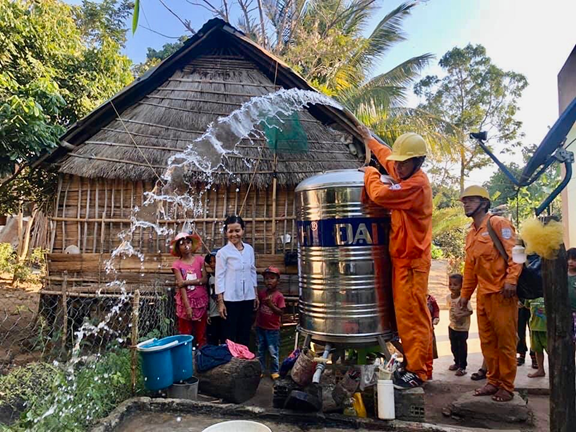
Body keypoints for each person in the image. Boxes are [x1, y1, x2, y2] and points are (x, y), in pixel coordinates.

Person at [359, 127, 433, 389]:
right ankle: (421, 364)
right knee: (411, 316)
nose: (397, 168)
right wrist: (368, 138)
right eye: (397, 164)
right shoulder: (405, 172)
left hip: (412, 262)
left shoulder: (416, 185)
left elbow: (380, 194)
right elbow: (389, 156)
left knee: (412, 317)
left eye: (404, 163)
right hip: (403, 260)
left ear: (419, 161)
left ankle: (417, 371)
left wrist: (370, 172)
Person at [458, 185, 522, 402]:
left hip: (503, 294)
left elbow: (517, 253)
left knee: (505, 342)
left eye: (471, 200)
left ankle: (507, 386)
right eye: (464, 201)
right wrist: (465, 296)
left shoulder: (498, 224)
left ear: (484, 203)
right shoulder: (470, 234)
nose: (466, 203)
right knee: (487, 342)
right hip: (483, 296)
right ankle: (493, 381)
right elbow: (470, 269)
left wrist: (511, 280)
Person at [215, 215, 258, 347]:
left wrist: (255, 294)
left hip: (248, 298)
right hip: (231, 300)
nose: (234, 234)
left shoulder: (249, 249)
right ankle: (230, 364)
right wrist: (221, 302)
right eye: (230, 231)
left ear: (243, 230)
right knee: (230, 334)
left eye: (237, 230)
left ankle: (243, 362)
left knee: (245, 332)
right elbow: (219, 277)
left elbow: (252, 271)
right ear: (226, 232)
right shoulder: (223, 253)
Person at [171, 232, 208, 347]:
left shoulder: (200, 260)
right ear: (178, 247)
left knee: (201, 333)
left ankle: (202, 357)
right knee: (185, 333)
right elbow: (181, 287)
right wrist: (187, 306)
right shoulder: (177, 265)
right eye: (182, 243)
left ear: (192, 245)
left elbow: (205, 279)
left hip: (200, 301)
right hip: (185, 302)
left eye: (188, 242)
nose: (186, 245)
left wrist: (186, 282)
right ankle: (186, 358)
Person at [256, 266, 286, 379]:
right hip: (261, 326)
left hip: (273, 329)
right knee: (260, 349)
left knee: (273, 351)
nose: (269, 281)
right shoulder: (262, 294)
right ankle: (261, 369)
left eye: (272, 278)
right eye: (267, 278)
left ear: (278, 281)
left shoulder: (279, 296)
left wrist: (271, 305)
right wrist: (255, 322)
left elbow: (280, 312)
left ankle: (274, 370)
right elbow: (258, 309)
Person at [446, 274, 473, 376]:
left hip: (462, 328)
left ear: (461, 286)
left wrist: (461, 315)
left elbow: (470, 311)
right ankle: (456, 362)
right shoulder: (448, 298)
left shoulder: (463, 299)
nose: (452, 287)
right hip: (452, 326)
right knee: (453, 346)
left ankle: (462, 367)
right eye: (450, 284)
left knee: (462, 347)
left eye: (455, 285)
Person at [525, 296, 547, 378]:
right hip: (534, 328)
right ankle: (540, 370)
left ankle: (557, 371)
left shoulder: (549, 294)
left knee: (551, 351)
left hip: (546, 329)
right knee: (537, 350)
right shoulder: (530, 295)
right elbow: (526, 305)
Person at [205, 252, 224, 345]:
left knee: (224, 338)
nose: (213, 264)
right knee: (213, 338)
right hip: (213, 313)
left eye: (215, 261)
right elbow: (207, 294)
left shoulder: (226, 276)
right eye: (210, 262)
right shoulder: (209, 278)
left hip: (224, 312)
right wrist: (208, 312)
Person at [426, 294, 440, 380]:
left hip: (429, 330)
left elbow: (436, 310)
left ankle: (428, 373)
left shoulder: (430, 300)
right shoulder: (415, 298)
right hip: (418, 331)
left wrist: (436, 318)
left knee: (429, 354)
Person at [567, 248, 576, 345]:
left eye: (574, 260)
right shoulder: (561, 276)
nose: (570, 262)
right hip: (566, 313)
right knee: (568, 341)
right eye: (568, 259)